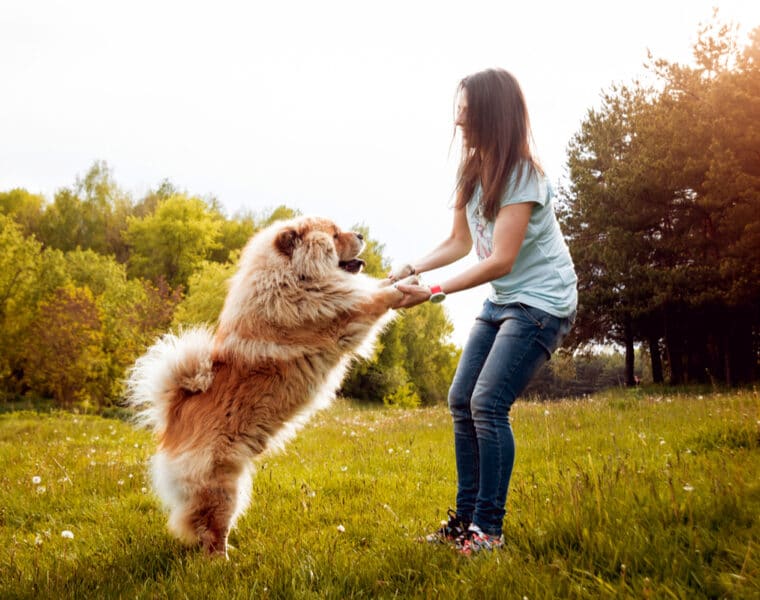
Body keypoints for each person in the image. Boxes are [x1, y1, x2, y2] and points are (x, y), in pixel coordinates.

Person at [390, 68, 577, 555]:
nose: (458, 122)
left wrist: (430, 290)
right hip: (504, 299)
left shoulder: (524, 175)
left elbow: (500, 259)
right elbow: (459, 242)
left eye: (467, 113)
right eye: (459, 111)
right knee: (460, 399)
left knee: (488, 403)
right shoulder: (472, 170)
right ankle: (464, 521)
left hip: (542, 301)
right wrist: (409, 267)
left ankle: (488, 531)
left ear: (492, 116)